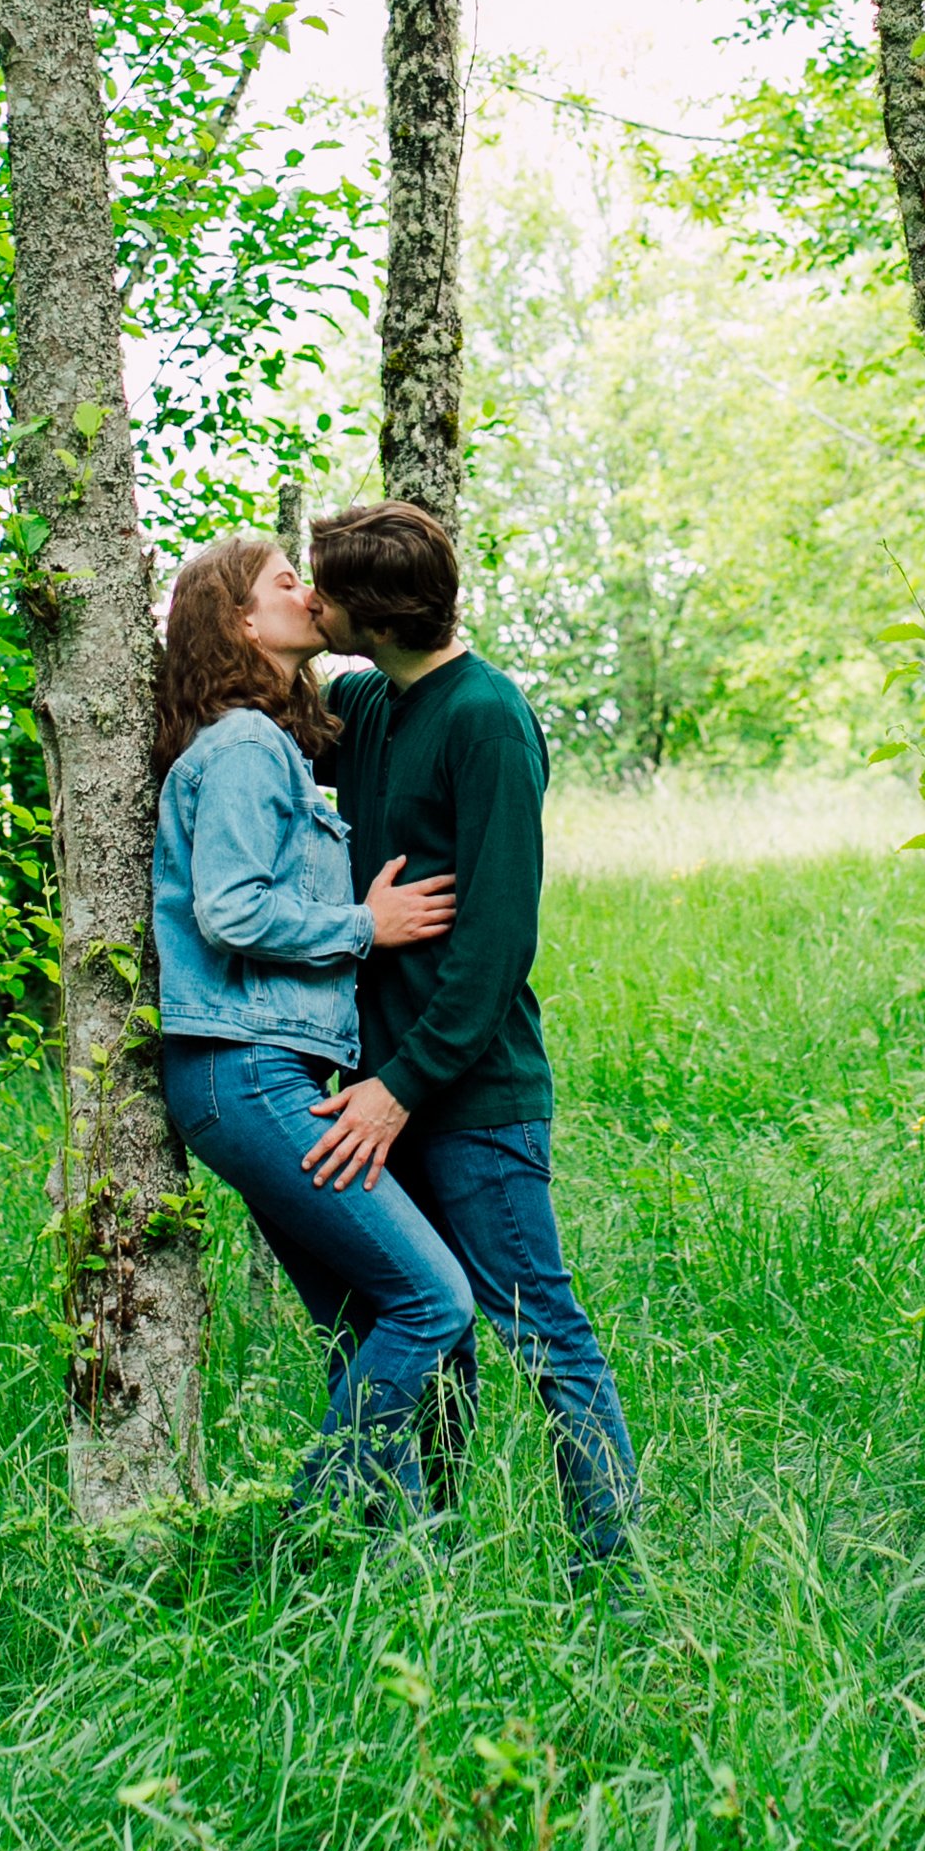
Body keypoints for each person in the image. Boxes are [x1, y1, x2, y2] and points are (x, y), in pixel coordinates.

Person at [301, 500, 639, 1571]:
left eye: (326, 593)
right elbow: (258, 715)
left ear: (380, 615)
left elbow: (495, 943)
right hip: (379, 1091)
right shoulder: (367, 701)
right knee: (427, 1333)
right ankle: (432, 1564)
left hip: (467, 1094)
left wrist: (400, 1088)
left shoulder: (486, 717)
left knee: (542, 1333)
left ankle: (613, 1573)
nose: (312, 605)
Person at [151, 529, 474, 1521]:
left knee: (369, 1320)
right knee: (434, 1301)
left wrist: (351, 906)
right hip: (248, 1071)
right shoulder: (246, 746)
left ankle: (398, 1567)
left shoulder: (269, 742)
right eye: (286, 582)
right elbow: (232, 911)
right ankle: (302, 1523)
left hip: (256, 1073)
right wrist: (363, 927)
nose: (310, 590)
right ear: (239, 621)